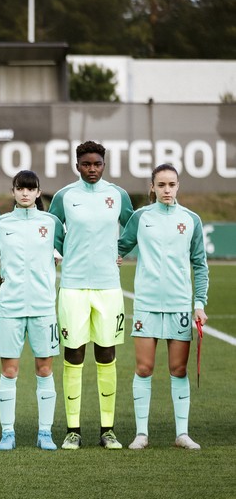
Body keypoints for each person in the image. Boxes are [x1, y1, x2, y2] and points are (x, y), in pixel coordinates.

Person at [48, 140, 133, 450]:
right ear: (77, 166)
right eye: (86, 164)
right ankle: (73, 430)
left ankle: (108, 430)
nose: (92, 169)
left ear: (104, 165)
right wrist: (64, 253)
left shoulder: (118, 195)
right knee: (74, 354)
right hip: (73, 286)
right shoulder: (65, 196)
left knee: (106, 353)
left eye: (97, 164)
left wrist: (118, 250)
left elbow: (133, 227)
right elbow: (52, 230)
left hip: (108, 286)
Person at [118, 164, 208, 450]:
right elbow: (119, 247)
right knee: (144, 368)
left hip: (179, 305)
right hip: (146, 304)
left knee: (178, 369)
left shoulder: (191, 219)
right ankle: (141, 434)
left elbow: (200, 264)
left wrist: (199, 303)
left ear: (178, 186)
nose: (167, 190)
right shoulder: (141, 217)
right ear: (153, 187)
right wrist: (114, 257)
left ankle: (182, 434)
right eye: (161, 185)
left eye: (171, 184)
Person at [0, 171, 65, 450]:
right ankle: (7, 433)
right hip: (11, 306)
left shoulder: (51, 223)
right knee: (9, 371)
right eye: (20, 188)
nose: (25, 193)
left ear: (38, 192)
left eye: (30, 189)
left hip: (44, 307)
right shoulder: (0, 224)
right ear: (13, 191)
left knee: (44, 370)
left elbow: (69, 253)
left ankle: (45, 433)